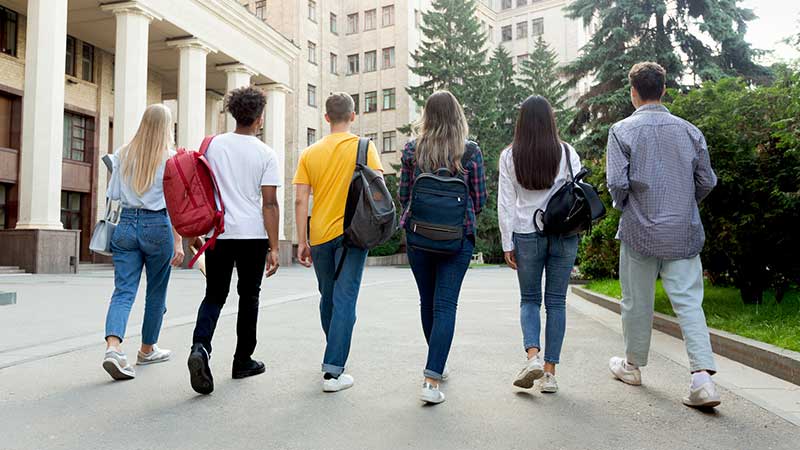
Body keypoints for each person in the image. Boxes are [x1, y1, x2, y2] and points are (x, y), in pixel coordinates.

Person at [606, 62, 720, 408]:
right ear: (664, 90)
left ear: (633, 93)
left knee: (635, 301)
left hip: (639, 230)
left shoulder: (621, 131)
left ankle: (632, 366)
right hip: (683, 231)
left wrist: (629, 207)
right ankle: (702, 379)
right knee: (688, 302)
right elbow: (707, 180)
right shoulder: (690, 131)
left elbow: (616, 184)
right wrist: (685, 203)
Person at [187, 86, 282, 395]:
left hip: (219, 232)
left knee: (214, 294)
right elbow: (269, 203)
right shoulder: (266, 154)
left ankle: (200, 347)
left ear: (234, 113)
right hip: (253, 235)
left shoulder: (213, 146)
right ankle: (243, 360)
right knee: (249, 296)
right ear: (259, 117)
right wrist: (275, 247)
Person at [399, 91, 487, 405]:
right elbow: (479, 201)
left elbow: (404, 195)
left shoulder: (412, 150)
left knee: (428, 301)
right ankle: (432, 377)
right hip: (457, 238)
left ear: (428, 116)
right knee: (445, 305)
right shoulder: (470, 151)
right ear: (457, 115)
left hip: (418, 237)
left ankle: (436, 364)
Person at [293, 92, 384, 393]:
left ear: (326, 117)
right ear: (353, 116)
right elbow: (378, 192)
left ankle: (334, 354)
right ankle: (333, 371)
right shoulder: (365, 147)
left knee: (328, 297)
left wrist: (301, 240)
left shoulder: (309, 153)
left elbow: (300, 199)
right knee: (345, 300)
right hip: (354, 234)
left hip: (319, 236)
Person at [498, 95, 582, 394]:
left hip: (525, 233)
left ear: (521, 122)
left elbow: (506, 204)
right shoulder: (567, 152)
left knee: (530, 299)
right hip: (563, 233)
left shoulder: (510, 155)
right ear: (550, 120)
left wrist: (507, 242)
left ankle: (532, 356)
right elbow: (578, 191)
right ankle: (549, 374)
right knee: (556, 302)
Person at [102, 104, 185, 380]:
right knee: (156, 292)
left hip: (125, 224)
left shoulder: (123, 154)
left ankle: (113, 348)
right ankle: (147, 349)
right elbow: (175, 206)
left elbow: (112, 193)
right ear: (166, 127)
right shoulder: (171, 159)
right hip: (157, 226)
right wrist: (178, 242)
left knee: (123, 291)